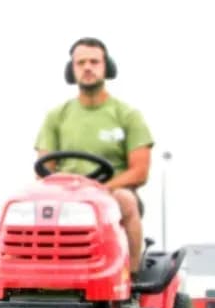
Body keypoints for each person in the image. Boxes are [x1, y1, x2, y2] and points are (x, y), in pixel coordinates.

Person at [34, 37, 154, 276]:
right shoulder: (56, 116)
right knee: (26, 207)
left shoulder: (127, 115)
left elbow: (139, 171)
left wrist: (100, 190)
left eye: (94, 61)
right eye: (81, 63)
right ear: (72, 70)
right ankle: (35, 274)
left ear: (106, 67)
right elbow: (43, 168)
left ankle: (130, 276)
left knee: (126, 200)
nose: (87, 67)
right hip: (65, 195)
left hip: (113, 193)